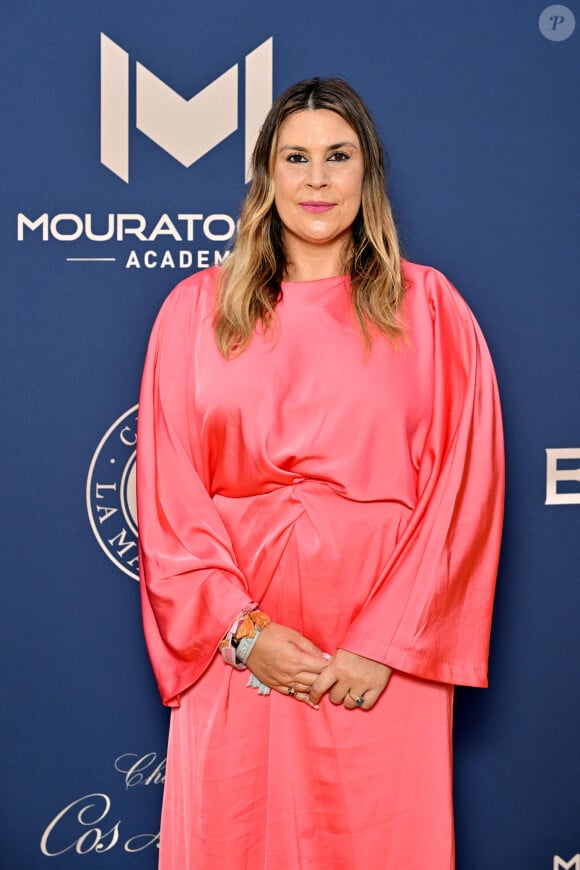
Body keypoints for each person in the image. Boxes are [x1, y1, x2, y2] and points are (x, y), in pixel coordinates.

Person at [136, 77, 504, 870]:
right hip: (242, 654)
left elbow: (463, 496)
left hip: (379, 661)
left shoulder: (432, 311)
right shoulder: (193, 313)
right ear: (267, 175)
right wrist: (244, 634)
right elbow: (170, 500)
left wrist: (388, 645)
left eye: (338, 156)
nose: (315, 178)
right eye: (294, 157)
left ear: (366, 173)